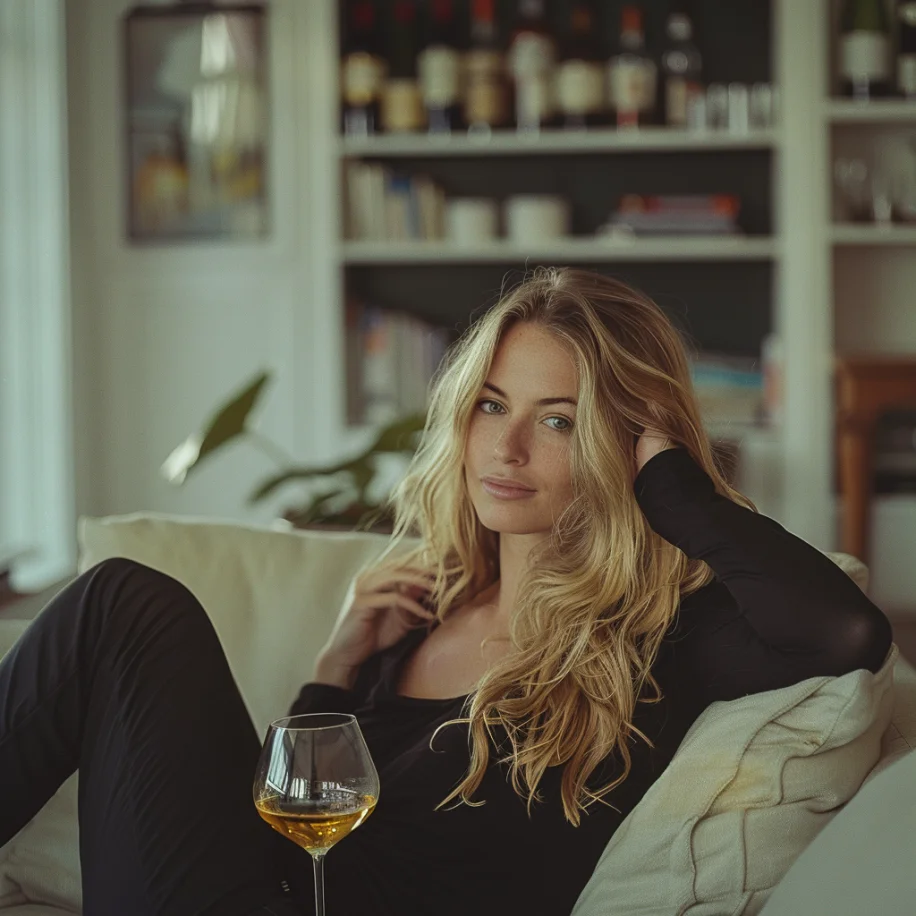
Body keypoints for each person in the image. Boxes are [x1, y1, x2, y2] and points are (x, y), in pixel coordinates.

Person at [0, 267, 893, 916]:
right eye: (492, 405)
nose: (506, 449)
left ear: (625, 444)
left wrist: (678, 493)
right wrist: (333, 672)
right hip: (268, 894)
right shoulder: (422, 613)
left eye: (558, 420)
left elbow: (846, 633)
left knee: (126, 605)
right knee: (120, 601)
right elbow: (295, 833)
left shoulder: (663, 638)